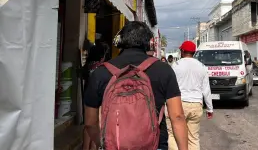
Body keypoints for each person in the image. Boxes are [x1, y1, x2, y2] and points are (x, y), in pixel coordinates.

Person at [83, 21, 189, 150]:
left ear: (120, 41)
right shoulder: (163, 70)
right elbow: (177, 116)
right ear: (150, 43)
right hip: (155, 145)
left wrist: (102, 144)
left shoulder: (101, 72)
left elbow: (89, 123)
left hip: (114, 145)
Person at [167, 41, 213, 150]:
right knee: (193, 138)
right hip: (196, 105)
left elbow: (169, 86)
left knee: (173, 135)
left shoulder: (175, 65)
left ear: (182, 51)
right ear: (194, 52)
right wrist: (210, 109)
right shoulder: (202, 66)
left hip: (178, 104)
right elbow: (206, 89)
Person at [82, 33, 110, 150]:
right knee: (96, 124)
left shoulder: (88, 66)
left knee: (87, 125)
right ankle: (94, 147)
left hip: (87, 96)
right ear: (101, 55)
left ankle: (85, 147)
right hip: (99, 99)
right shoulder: (102, 68)